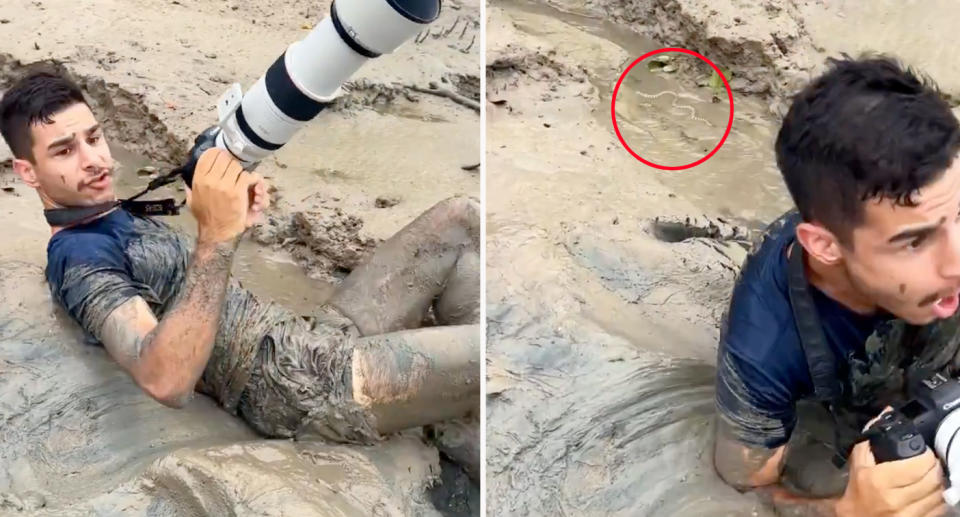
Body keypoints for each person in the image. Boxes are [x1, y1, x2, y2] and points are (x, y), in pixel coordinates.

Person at [0, 70, 480, 447]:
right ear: (27, 171)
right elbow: (164, 379)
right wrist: (215, 238)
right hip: (306, 390)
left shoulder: (111, 214)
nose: (95, 160)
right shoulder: (78, 257)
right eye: (65, 150)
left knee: (462, 217)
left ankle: (461, 419)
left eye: (94, 137)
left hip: (315, 334)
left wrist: (231, 217)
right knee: (494, 348)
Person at [713, 55, 960, 517]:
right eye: (915, 241)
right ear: (824, 247)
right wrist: (847, 509)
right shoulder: (763, 347)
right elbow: (742, 490)